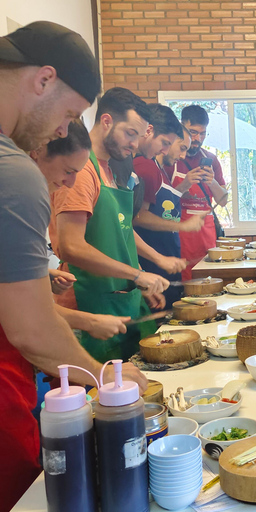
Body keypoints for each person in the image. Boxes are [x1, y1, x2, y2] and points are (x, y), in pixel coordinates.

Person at [0, 21, 147, 511]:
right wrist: (107, 380)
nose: (63, 130)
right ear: (43, 79)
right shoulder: (14, 171)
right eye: (68, 114)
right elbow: (32, 329)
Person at [50, 87, 171, 363]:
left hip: (117, 299)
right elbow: (71, 246)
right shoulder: (81, 173)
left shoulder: (107, 169)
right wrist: (137, 275)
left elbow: (119, 232)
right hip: (89, 303)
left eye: (138, 137)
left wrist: (139, 276)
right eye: (130, 134)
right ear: (106, 121)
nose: (134, 145)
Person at [32, 119, 137, 341]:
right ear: (37, 151)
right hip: (82, 300)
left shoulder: (104, 169)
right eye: (68, 171)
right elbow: (18, 300)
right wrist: (89, 321)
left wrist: (44, 276)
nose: (70, 183)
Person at [134, 117, 202, 304]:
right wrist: (183, 226)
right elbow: (138, 217)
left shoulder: (160, 170)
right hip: (151, 264)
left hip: (164, 261)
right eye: (181, 148)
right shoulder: (146, 167)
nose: (182, 156)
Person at [174, 105, 228, 280]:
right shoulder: (171, 158)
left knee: (208, 281)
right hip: (179, 232)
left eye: (202, 133)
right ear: (181, 126)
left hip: (206, 232)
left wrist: (211, 181)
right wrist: (185, 184)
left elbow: (223, 201)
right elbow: (161, 202)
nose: (198, 138)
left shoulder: (211, 159)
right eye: (192, 132)